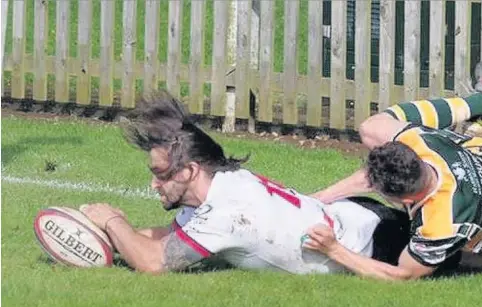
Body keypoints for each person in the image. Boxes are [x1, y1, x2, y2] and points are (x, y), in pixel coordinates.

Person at [304, 61, 482, 281]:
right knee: (373, 128)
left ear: (405, 201)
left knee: (472, 253)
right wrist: (314, 199)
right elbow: (369, 176)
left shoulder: (440, 225)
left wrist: (334, 250)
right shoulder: (419, 144)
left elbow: (402, 276)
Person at [79, 91, 415, 275]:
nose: (155, 185)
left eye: (161, 174)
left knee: (452, 257)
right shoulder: (223, 182)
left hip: (377, 245)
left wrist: (112, 221)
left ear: (190, 171)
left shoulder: (225, 214)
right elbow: (163, 239)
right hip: (355, 215)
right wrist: (99, 235)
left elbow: (155, 262)